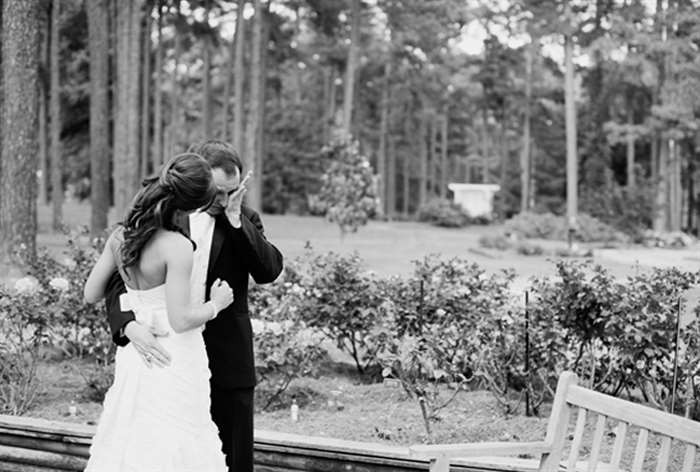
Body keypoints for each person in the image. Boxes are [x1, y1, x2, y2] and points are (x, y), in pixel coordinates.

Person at [105, 140, 284, 472]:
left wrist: (234, 220)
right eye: (217, 192)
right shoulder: (158, 217)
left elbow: (268, 270)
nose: (224, 200)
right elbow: (118, 278)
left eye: (232, 191)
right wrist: (127, 324)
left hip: (227, 361)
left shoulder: (243, 217)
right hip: (168, 360)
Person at [83, 153, 234, 471]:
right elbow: (180, 320)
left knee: (133, 433)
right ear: (193, 206)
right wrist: (216, 304)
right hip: (175, 353)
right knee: (178, 435)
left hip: (136, 356)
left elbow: (90, 293)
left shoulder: (119, 238)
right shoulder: (177, 247)